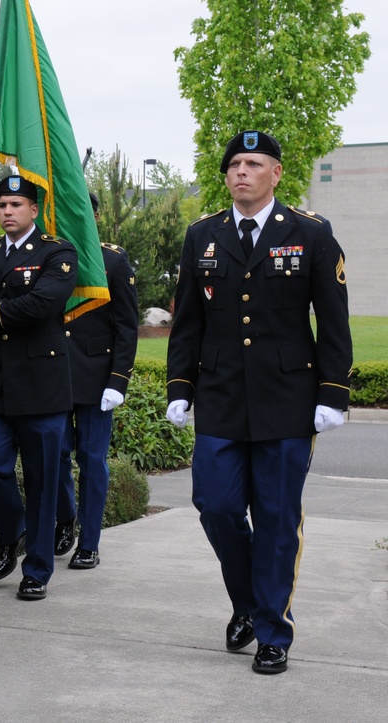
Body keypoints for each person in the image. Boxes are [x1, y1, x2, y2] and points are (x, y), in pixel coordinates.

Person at [166, 130, 352, 675]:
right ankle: (248, 601)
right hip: (221, 399)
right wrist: (181, 387)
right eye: (235, 165)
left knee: (274, 519)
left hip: (288, 400)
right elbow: (188, 324)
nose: (242, 172)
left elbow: (334, 322)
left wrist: (333, 393)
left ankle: (272, 630)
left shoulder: (311, 233)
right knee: (217, 505)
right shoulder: (202, 235)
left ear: (275, 174)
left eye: (254, 164)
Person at [0, 175, 78, 601]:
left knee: (41, 479)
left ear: (33, 210)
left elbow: (42, 304)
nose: (7, 212)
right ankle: (12, 529)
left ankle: (37, 569)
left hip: (41, 387)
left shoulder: (58, 252)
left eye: (16, 205)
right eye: (1, 206)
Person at [54, 192, 139, 569]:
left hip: (95, 379)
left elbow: (126, 326)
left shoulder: (112, 260)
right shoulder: (46, 255)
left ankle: (89, 541)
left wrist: (117, 381)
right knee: (54, 456)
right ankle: (64, 518)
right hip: (53, 375)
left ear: (97, 216)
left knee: (92, 461)